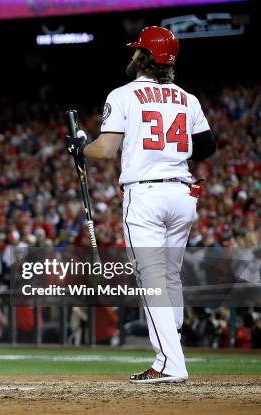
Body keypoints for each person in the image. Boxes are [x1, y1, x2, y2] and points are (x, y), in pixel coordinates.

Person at [72, 26, 215, 383]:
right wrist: (172, 153)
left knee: (152, 281)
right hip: (183, 194)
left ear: (143, 56)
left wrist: (79, 147)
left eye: (138, 51)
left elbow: (105, 150)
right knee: (169, 277)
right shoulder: (188, 98)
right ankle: (170, 354)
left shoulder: (123, 95)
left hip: (146, 195)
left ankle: (170, 361)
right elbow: (207, 146)